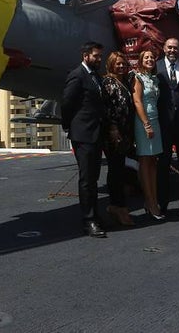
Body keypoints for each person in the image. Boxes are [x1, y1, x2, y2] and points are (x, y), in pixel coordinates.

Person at [62, 40, 108, 237]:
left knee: (94, 178)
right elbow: (66, 103)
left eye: (100, 56)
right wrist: (70, 126)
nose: (99, 59)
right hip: (84, 135)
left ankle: (95, 216)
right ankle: (88, 221)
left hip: (96, 134)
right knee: (87, 180)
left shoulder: (95, 75)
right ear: (85, 56)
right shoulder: (77, 76)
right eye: (96, 56)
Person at [156, 37, 179, 216]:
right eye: (169, 47)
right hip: (163, 124)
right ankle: (162, 203)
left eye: (175, 48)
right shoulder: (155, 68)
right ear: (164, 48)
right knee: (163, 166)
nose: (172, 51)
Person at [100, 51, 135, 227]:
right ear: (111, 65)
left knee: (119, 169)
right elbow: (107, 107)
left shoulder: (125, 81)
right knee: (115, 170)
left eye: (123, 63)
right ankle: (117, 206)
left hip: (125, 132)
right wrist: (113, 129)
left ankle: (118, 205)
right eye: (117, 64)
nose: (121, 66)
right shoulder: (108, 81)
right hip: (114, 135)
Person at [132, 49, 164, 221]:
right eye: (146, 57)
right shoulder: (138, 78)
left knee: (153, 161)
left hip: (155, 120)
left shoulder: (155, 79)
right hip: (144, 122)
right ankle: (150, 201)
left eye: (152, 57)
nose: (150, 59)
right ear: (141, 60)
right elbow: (137, 100)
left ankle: (153, 199)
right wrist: (146, 124)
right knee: (145, 160)